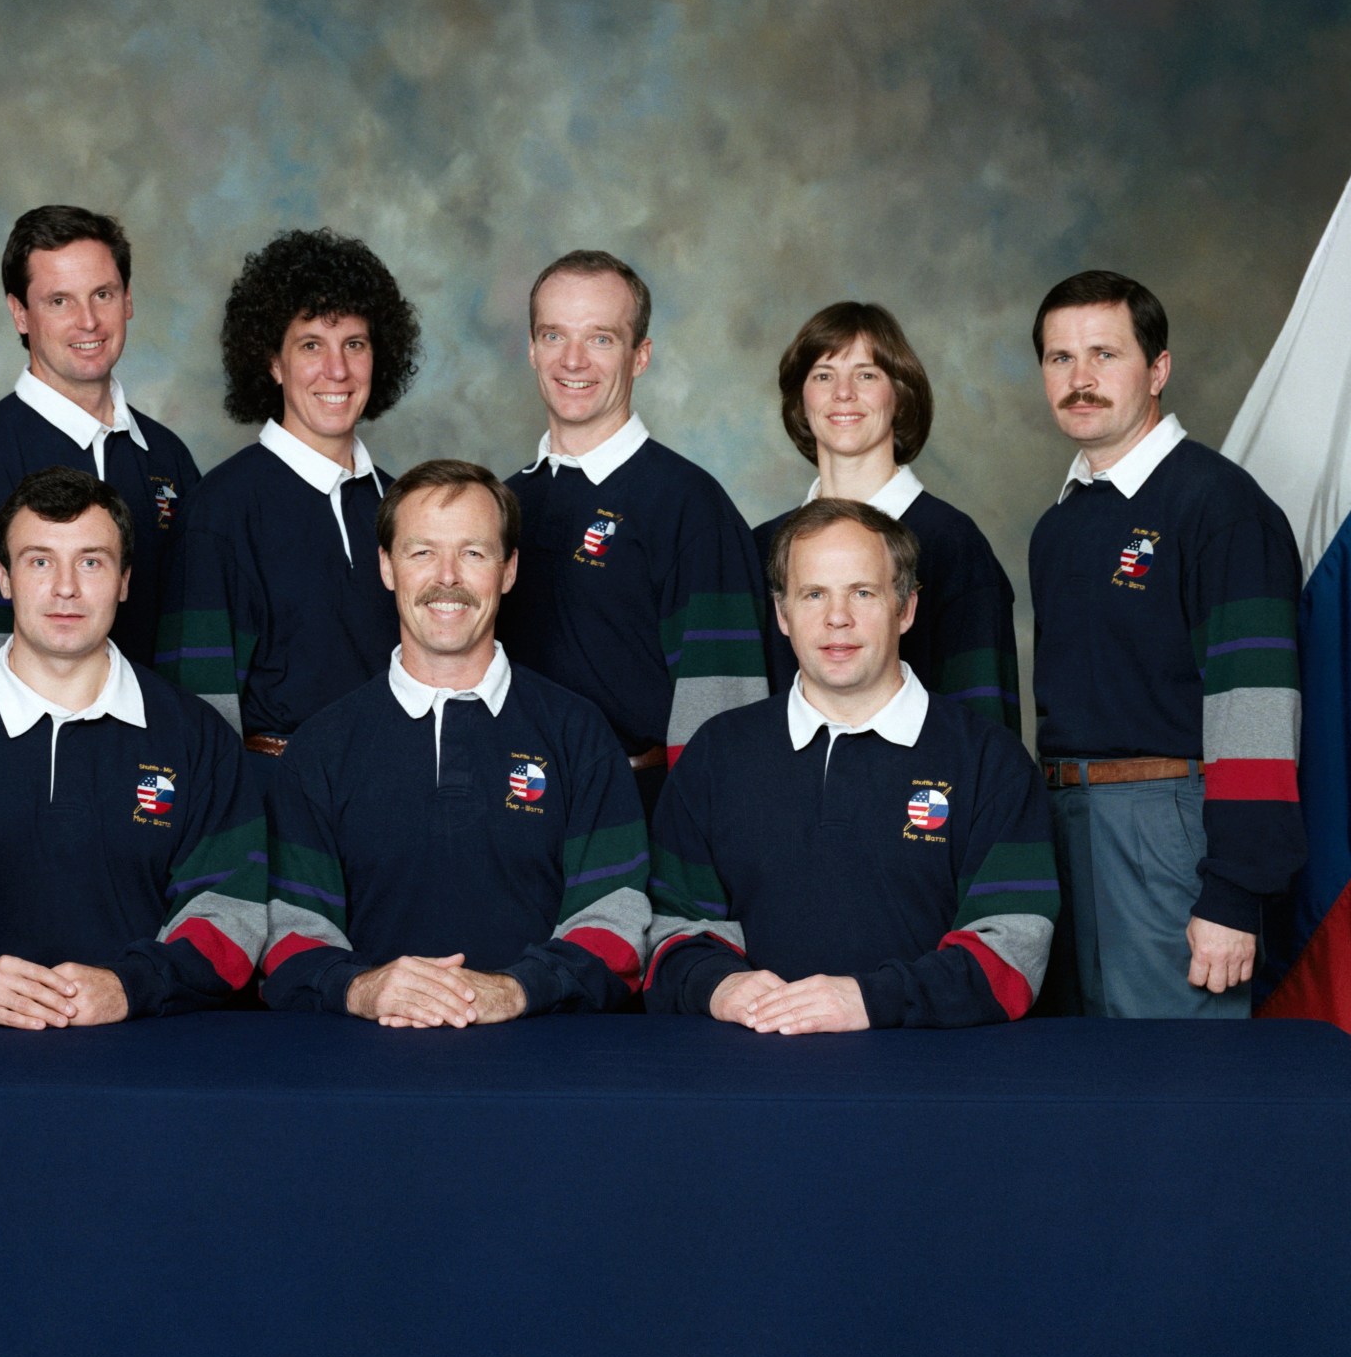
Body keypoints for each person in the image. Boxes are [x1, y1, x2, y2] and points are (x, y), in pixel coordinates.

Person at [0, 468, 263, 1025]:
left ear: (125, 580)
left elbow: (231, 916)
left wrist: (129, 987)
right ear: (4, 578)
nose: (66, 587)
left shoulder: (197, 738)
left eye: (91, 561)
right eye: (39, 560)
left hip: (153, 1058)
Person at [645, 499, 1058, 1031]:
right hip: (754, 1067)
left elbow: (1011, 955)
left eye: (862, 592)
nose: (837, 617)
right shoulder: (717, 752)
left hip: (935, 1079)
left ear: (905, 607)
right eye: (813, 594)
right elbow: (669, 926)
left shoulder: (989, 761)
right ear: (782, 614)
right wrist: (721, 985)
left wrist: (870, 1000)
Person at [261, 461, 650, 1024]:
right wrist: (365, 989)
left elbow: (615, 922)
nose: (448, 577)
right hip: (364, 1066)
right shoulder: (321, 746)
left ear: (509, 569)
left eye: (473, 553)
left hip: (549, 1063)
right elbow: (286, 931)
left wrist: (513, 991)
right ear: (387, 567)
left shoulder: (578, 734)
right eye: (421, 552)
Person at [1027, 270, 1303, 1017]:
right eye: (1059, 359)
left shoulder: (1221, 509)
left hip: (1171, 834)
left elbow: (1256, 713)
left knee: (1171, 1089)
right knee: (1077, 1087)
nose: (1080, 380)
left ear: (1158, 369)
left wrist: (1235, 890)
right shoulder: (1058, 528)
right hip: (1063, 827)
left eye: (1104, 355)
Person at [500, 249, 769, 817]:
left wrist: (697, 849)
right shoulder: (502, 506)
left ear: (639, 355)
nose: (573, 360)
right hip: (511, 813)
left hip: (638, 814)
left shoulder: (688, 505)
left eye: (601, 338)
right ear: (531, 348)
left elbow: (722, 715)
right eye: (554, 336)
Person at [156, 228, 420, 786]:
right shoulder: (220, 511)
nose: (337, 370)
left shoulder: (407, 507)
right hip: (278, 799)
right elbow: (197, 710)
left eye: (354, 343)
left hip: (401, 793)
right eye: (310, 345)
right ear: (272, 362)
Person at [0, 205, 198, 679]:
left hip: (158, 744)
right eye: (59, 301)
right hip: (36, 751)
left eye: (102, 294)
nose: (88, 321)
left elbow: (192, 634)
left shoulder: (168, 458)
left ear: (128, 299)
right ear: (20, 314)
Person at [752, 302, 1020, 729]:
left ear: (900, 396)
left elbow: (983, 732)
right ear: (801, 401)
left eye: (866, 375)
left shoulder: (952, 544)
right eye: (823, 375)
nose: (843, 393)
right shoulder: (761, 547)